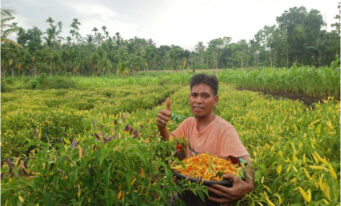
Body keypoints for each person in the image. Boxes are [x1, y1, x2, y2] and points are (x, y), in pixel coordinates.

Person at [156, 74, 254, 206]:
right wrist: (162, 128)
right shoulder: (188, 124)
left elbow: (245, 159)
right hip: (190, 188)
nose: (198, 100)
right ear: (189, 98)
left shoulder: (224, 129)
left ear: (216, 100)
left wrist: (248, 185)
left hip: (211, 195)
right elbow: (169, 144)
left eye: (205, 96)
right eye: (194, 95)